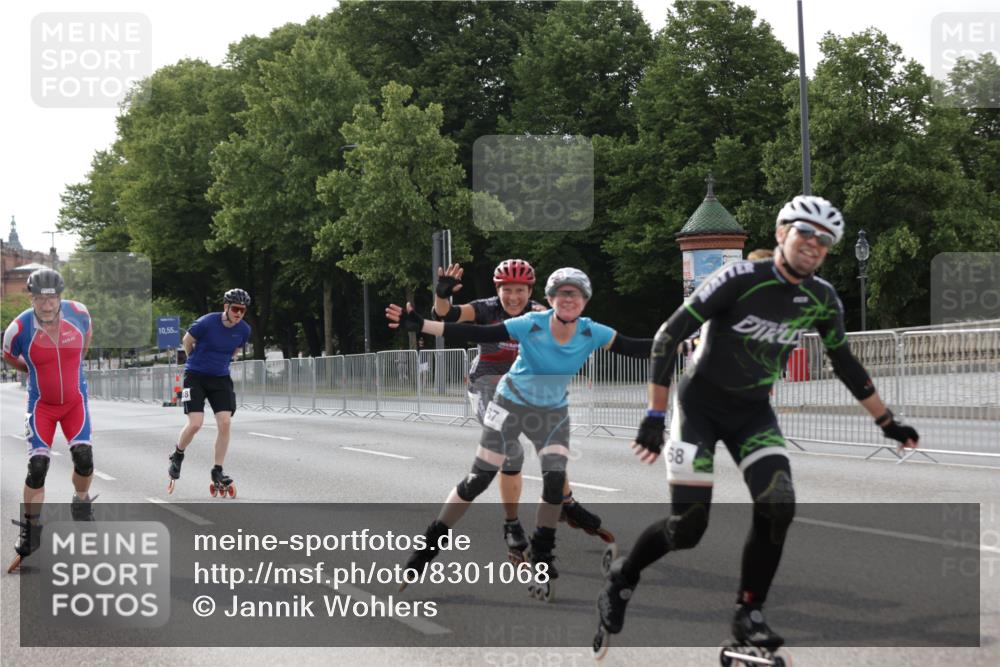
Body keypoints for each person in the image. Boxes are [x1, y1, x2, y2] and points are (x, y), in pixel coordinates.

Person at [594, 196, 920, 655]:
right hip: (699, 408)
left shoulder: (821, 298)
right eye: (806, 232)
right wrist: (654, 414)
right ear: (782, 232)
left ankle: (749, 611)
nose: (814, 244)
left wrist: (887, 421)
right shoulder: (740, 278)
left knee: (779, 504)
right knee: (688, 526)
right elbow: (669, 335)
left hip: (752, 413)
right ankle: (623, 576)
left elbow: (845, 362)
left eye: (825, 240)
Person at [387, 267, 653, 597]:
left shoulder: (590, 331)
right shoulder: (527, 321)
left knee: (554, 479)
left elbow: (636, 346)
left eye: (576, 296)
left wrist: (686, 345)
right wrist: (424, 323)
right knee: (480, 478)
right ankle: (427, 548)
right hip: (505, 399)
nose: (514, 297)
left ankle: (542, 555)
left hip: (551, 410)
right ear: (551, 299)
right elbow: (466, 326)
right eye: (562, 295)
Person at [433, 259, 609, 561]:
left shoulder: (539, 313)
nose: (514, 297)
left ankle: (566, 500)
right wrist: (442, 294)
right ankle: (512, 524)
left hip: (523, 387)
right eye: (507, 290)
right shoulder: (484, 309)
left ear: (530, 291)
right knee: (511, 452)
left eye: (520, 291)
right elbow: (445, 315)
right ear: (497, 289)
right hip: (487, 386)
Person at [3, 269, 95, 570]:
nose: (47, 305)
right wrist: (30, 367)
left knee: (84, 458)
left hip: (74, 402)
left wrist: (73, 365)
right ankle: (31, 530)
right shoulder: (17, 328)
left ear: (60, 296)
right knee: (37, 466)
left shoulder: (79, 313)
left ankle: (81, 502)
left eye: (52, 297)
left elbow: (86, 339)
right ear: (31, 297)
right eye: (40, 299)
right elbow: (8, 356)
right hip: (40, 405)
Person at [166, 288, 252, 496]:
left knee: (225, 423)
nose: (239, 314)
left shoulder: (244, 330)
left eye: (243, 310)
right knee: (195, 424)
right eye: (236, 309)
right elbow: (187, 341)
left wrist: (220, 363)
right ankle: (178, 454)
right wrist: (194, 360)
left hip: (220, 378)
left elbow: (235, 350)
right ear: (226, 307)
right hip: (195, 376)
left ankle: (218, 470)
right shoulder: (206, 322)